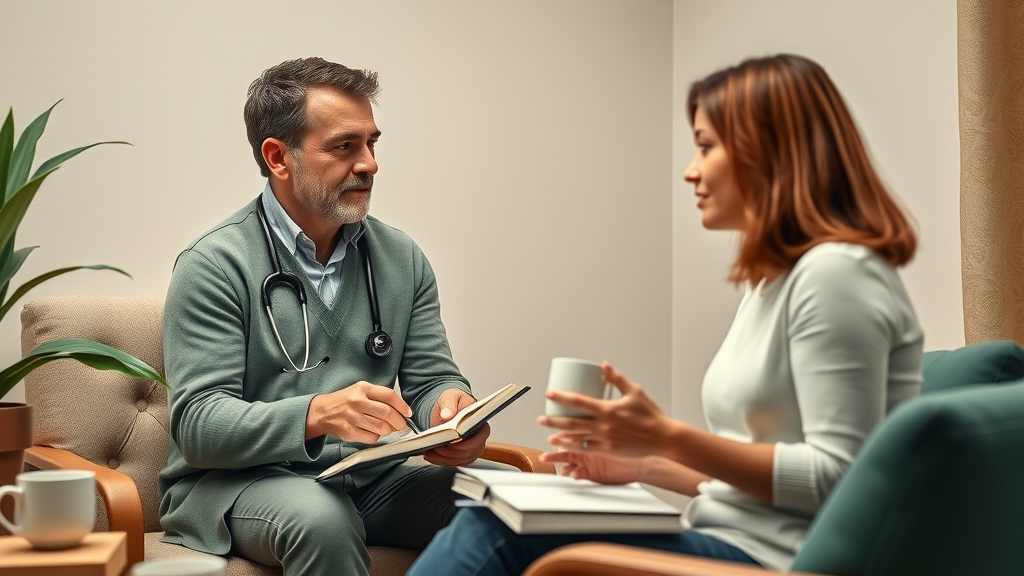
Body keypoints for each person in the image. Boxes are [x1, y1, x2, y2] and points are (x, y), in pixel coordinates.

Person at [407, 53, 923, 575]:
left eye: (706, 146)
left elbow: (839, 480)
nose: (690, 170)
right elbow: (770, 486)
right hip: (735, 537)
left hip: (786, 560)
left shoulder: (836, 275)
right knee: (502, 511)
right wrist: (643, 465)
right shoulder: (772, 283)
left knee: (493, 531)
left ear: (767, 151)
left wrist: (666, 435)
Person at [157, 57, 489, 576]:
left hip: (368, 476)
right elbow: (199, 426)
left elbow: (431, 382)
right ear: (278, 157)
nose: (369, 164)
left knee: (507, 498)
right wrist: (317, 414)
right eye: (344, 146)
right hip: (239, 485)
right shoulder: (214, 264)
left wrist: (451, 411)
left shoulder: (401, 259)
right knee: (321, 519)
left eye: (371, 143)